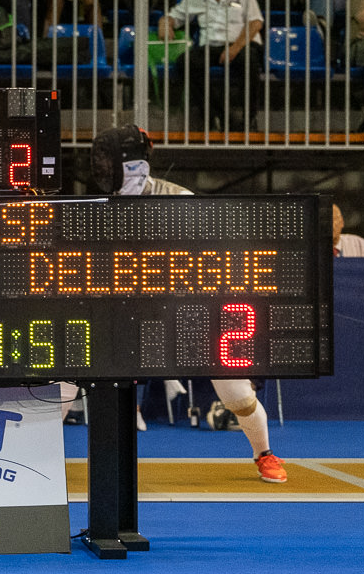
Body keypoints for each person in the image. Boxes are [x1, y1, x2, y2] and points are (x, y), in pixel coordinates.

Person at [88, 124, 289, 483]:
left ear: (130, 162)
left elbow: (212, 256)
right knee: (67, 381)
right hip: (124, 309)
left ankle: (264, 453)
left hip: (187, 309)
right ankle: (34, 460)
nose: (100, 168)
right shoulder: (100, 205)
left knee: (238, 397)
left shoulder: (178, 199)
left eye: (107, 159)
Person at [160, 0, 264, 130]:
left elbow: (256, 22)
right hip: (212, 46)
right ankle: (217, 115)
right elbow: (172, 16)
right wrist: (164, 24)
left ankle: (249, 119)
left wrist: (235, 48)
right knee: (186, 62)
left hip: (242, 44)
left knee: (249, 61)